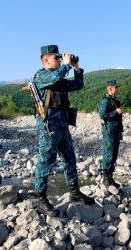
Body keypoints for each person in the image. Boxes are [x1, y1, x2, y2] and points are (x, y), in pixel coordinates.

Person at [33, 45, 94, 217]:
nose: (60, 60)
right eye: (56, 58)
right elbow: (53, 78)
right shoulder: (42, 75)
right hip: (49, 125)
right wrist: (66, 65)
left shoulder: (58, 78)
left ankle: (75, 192)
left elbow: (78, 84)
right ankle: (40, 198)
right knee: (46, 160)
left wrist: (76, 67)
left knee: (69, 158)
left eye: (61, 58)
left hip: (62, 124)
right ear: (46, 60)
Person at [98, 80, 123, 188]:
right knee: (109, 153)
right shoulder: (106, 101)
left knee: (114, 153)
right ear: (110, 88)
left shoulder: (115, 101)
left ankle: (110, 177)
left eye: (117, 87)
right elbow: (103, 115)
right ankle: (105, 178)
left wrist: (121, 131)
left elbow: (119, 118)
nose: (117, 89)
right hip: (109, 130)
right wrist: (116, 112)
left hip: (116, 130)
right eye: (115, 87)